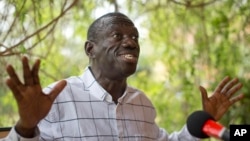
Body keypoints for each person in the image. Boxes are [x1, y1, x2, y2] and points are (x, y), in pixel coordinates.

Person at [1, 12, 244, 141]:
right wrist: (26, 127)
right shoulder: (56, 98)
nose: (131, 43)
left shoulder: (142, 103)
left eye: (135, 37)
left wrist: (206, 123)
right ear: (90, 49)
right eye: (117, 36)